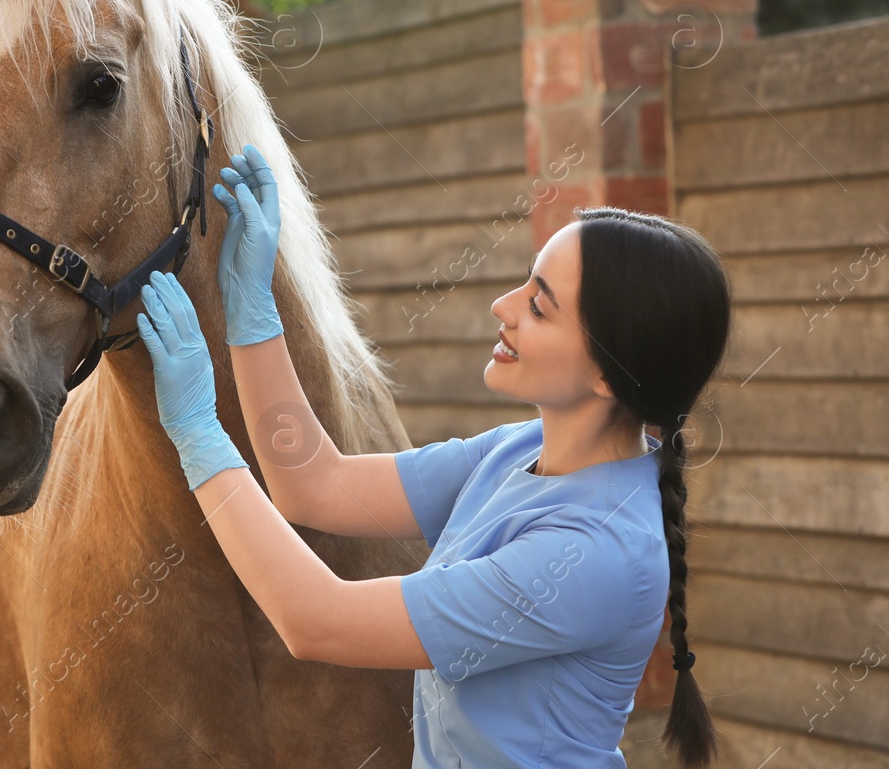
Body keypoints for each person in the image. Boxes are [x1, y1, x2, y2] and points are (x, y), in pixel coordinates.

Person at [134, 143, 728, 768]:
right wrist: (252, 308)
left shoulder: (596, 553)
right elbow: (313, 483)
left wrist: (199, 433)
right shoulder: (521, 450)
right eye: (525, 281)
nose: (503, 307)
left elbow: (317, 620)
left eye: (538, 305)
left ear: (610, 376)